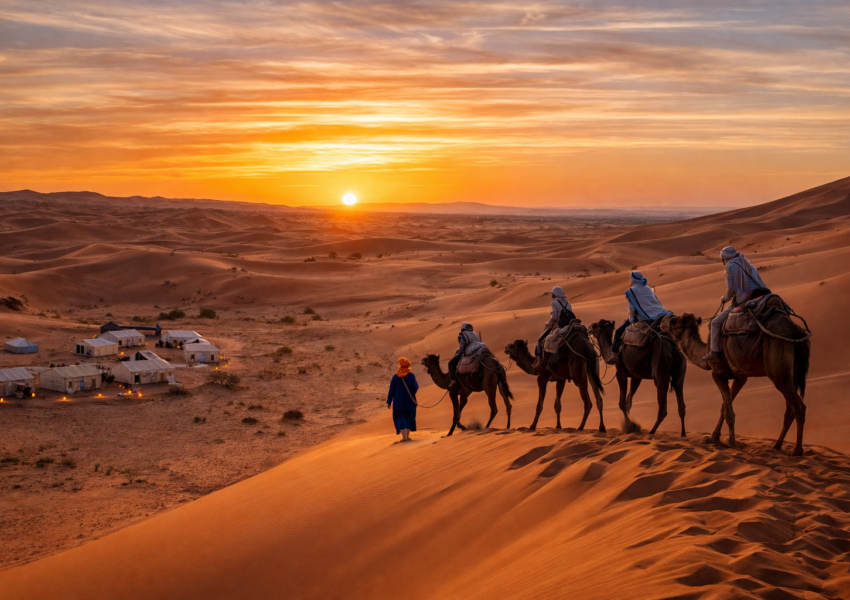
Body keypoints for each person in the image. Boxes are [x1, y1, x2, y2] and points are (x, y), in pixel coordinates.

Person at [703, 246, 768, 363]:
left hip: (746, 299)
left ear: (724, 259)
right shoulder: (749, 265)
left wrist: (725, 298)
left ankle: (714, 352)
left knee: (715, 323)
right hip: (762, 296)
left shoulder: (730, 267)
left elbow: (731, 290)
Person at [607, 271, 672, 365]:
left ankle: (615, 356)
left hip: (643, 317)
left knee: (618, 332)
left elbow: (632, 309)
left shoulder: (631, 291)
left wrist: (632, 320)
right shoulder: (648, 289)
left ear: (633, 280)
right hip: (659, 315)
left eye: (630, 279)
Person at [534, 286, 576, 369]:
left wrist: (548, 323)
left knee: (539, 340)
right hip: (570, 326)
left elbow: (554, 317)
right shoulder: (568, 303)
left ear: (554, 295)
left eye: (552, 294)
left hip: (559, 326)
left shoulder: (554, 303)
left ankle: (539, 361)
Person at [386, 357, 419, 442]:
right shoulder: (411, 376)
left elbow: (392, 390)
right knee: (409, 417)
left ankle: (404, 438)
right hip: (410, 401)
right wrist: (411, 394)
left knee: (400, 417)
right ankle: (406, 437)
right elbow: (416, 386)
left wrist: (389, 401)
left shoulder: (395, 377)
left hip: (398, 402)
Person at [448, 322, 481, 386]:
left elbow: (462, 345)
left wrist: (459, 351)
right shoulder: (475, 334)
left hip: (469, 352)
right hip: (479, 351)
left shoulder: (462, 335)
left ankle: (453, 382)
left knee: (451, 363)